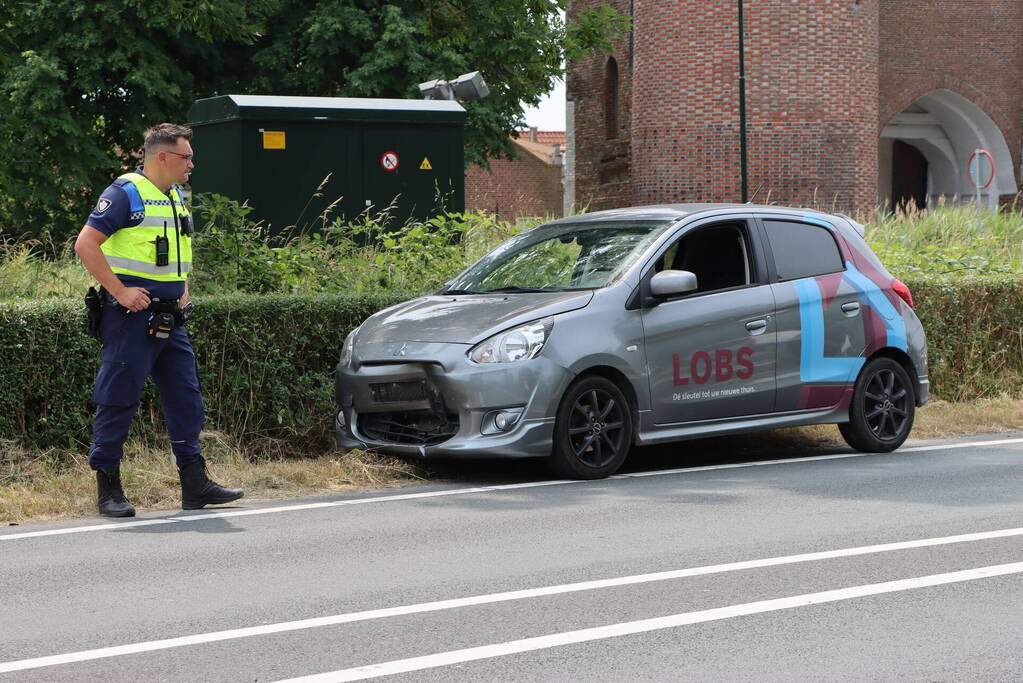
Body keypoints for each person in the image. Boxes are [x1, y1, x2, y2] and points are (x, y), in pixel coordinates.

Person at [75, 123, 243, 517]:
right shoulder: (125, 193)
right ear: (163, 157)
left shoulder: (175, 197)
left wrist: (182, 287)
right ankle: (109, 489)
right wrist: (120, 292)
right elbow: (86, 244)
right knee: (118, 399)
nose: (192, 164)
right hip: (130, 317)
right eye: (186, 157)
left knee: (186, 398)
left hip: (170, 316)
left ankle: (194, 484)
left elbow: (175, 252)